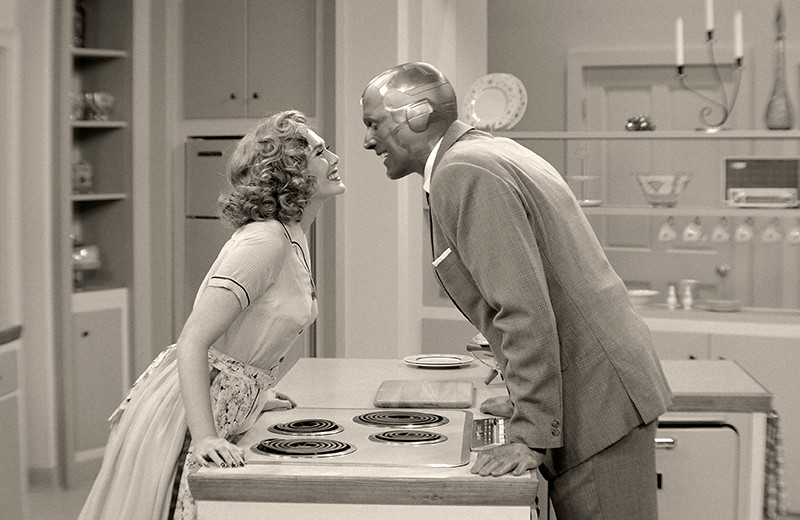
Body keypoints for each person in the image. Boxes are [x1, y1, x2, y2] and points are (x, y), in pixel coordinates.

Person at [361, 62, 672, 520]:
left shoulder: (463, 171)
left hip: (596, 400)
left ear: (418, 115)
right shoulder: (487, 151)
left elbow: (523, 309)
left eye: (373, 124)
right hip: (600, 386)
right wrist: (526, 403)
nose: (368, 141)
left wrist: (530, 434)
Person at [79, 110, 345, 520]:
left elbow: (245, 336)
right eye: (320, 153)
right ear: (292, 174)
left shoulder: (292, 234)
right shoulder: (265, 242)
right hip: (188, 411)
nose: (334, 159)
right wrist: (203, 438)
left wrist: (253, 394)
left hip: (223, 397)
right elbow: (193, 340)